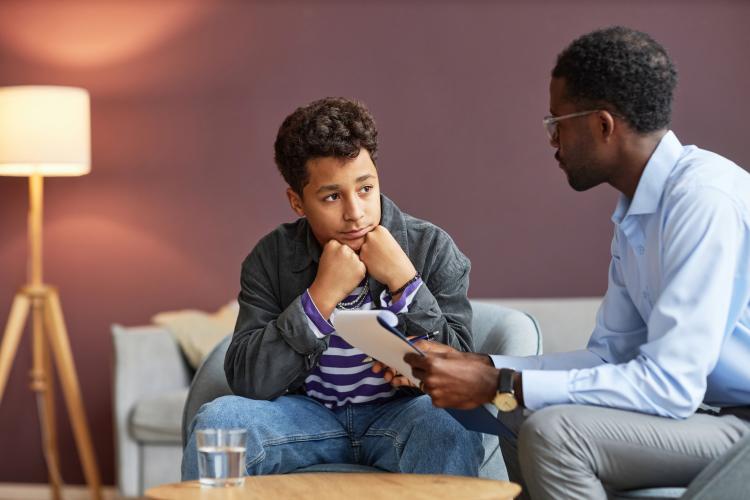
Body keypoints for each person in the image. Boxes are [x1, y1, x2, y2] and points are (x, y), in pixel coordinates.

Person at [405, 26, 750, 499]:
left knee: (553, 431)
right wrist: (483, 364)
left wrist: (499, 381)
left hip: (737, 431)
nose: (553, 141)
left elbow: (669, 385)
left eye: (558, 123)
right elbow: (611, 356)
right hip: (701, 418)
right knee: (508, 408)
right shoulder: (637, 215)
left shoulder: (702, 201)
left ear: (603, 125)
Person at [182, 97, 484, 478]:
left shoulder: (431, 247)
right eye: (331, 196)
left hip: (401, 415)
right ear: (297, 201)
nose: (355, 212)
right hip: (304, 416)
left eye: (365, 189)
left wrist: (405, 283)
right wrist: (319, 298)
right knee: (220, 421)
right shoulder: (270, 258)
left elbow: (463, 374)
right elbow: (248, 380)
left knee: (452, 422)